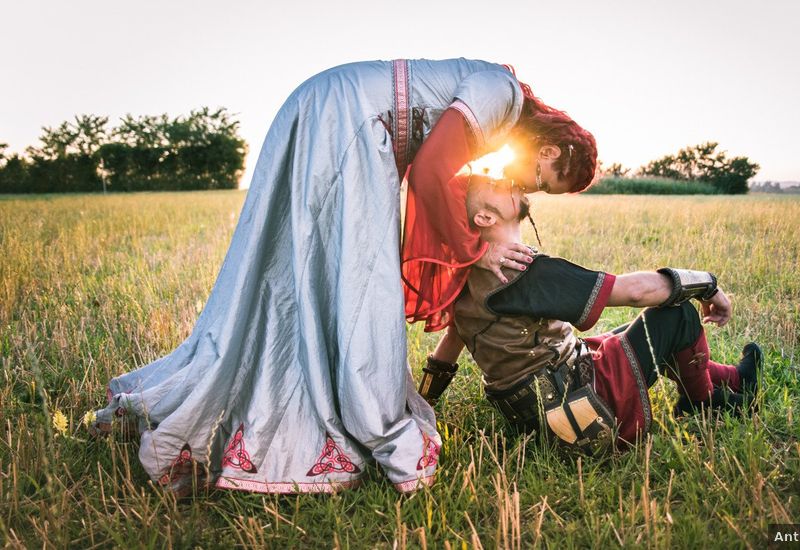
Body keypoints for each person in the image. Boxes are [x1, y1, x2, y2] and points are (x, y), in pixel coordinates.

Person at [89, 58, 598, 495]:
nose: (526, 183)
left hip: (337, 113)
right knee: (361, 293)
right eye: (542, 182)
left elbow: (438, 169)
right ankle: (368, 423)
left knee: (301, 281)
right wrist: (474, 253)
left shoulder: (497, 101)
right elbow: (428, 172)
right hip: (351, 123)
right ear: (551, 152)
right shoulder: (500, 92)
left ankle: (259, 406)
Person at [419, 177, 764, 453]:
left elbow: (453, 341)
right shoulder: (526, 272)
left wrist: (422, 404)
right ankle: (702, 401)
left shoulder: (466, 277)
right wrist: (707, 285)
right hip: (582, 410)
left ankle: (732, 379)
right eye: (494, 186)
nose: (509, 181)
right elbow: (636, 291)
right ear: (484, 217)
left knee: (622, 335)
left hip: (535, 419)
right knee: (675, 315)